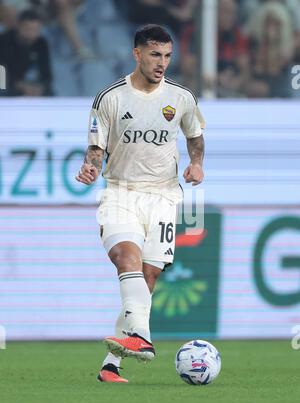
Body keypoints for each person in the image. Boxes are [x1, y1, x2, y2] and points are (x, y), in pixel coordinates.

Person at [75, 24, 205, 383]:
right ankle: (142, 339)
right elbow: (96, 147)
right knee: (125, 257)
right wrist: (90, 166)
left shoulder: (181, 97)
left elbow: (195, 135)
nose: (162, 62)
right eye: (154, 55)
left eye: (167, 55)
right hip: (121, 192)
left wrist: (197, 164)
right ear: (137, 54)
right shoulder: (110, 97)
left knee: (146, 282)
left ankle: (110, 366)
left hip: (164, 196)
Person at [0, 9, 52, 95]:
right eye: (28, 29)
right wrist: (20, 86)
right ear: (18, 26)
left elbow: (46, 75)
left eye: (35, 30)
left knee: (49, 93)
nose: (31, 34)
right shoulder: (3, 41)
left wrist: (40, 88)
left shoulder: (41, 44)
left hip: (30, 85)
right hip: (7, 85)